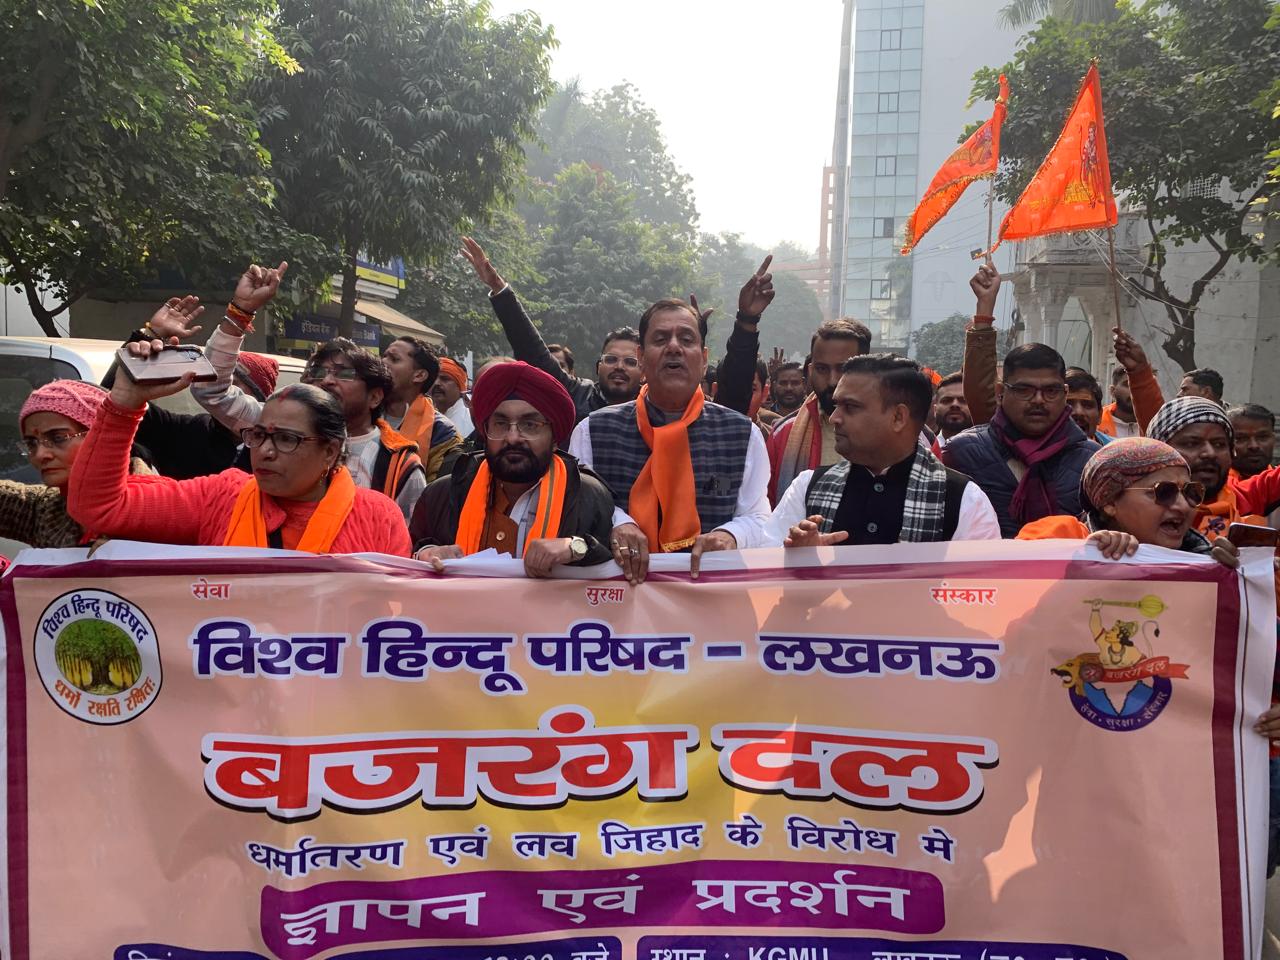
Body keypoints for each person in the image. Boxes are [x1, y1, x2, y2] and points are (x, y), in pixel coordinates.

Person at [67, 371, 411, 556]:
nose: (266, 451)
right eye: (259, 435)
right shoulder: (222, 496)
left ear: (330, 451)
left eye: (286, 439)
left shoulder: (378, 517)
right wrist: (124, 404)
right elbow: (97, 507)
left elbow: (396, 619)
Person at [188, 263, 427, 522]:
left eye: (344, 373)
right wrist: (239, 313)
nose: (327, 381)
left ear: (375, 396)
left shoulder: (399, 464)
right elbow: (210, 390)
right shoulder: (270, 424)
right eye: (319, 371)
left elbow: (407, 540)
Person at [568, 297, 770, 583]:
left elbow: (759, 517)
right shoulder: (593, 430)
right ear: (641, 357)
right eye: (660, 339)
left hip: (709, 595)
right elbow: (579, 505)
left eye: (686, 340)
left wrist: (731, 535)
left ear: (703, 358)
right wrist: (618, 523)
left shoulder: (742, 434)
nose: (674, 347)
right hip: (619, 596)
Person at [764, 355, 1000, 548]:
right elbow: (766, 563)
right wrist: (799, 560)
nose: (834, 418)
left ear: (898, 417)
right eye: (836, 405)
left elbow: (981, 585)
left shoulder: (964, 500)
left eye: (850, 407)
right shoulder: (808, 487)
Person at [410, 362, 616, 576]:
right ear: (485, 430)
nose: (513, 437)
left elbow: (616, 566)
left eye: (530, 425)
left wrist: (576, 548)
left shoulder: (587, 495)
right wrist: (425, 554)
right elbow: (408, 555)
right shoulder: (442, 493)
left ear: (555, 438)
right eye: (501, 424)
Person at [460, 237, 643, 420]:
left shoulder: (654, 409)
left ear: (644, 372)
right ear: (598, 367)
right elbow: (533, 351)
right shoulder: (576, 393)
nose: (619, 367)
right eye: (611, 359)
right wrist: (498, 287)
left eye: (630, 362)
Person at [112, 294, 281, 479]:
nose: (221, 386)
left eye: (231, 383)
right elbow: (105, 403)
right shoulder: (188, 431)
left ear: (259, 398)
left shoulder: (283, 450)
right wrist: (150, 335)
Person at [943, 342, 1099, 538]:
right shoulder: (961, 453)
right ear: (1000, 392)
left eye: (1051, 391)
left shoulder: (1093, 461)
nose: (1038, 400)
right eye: (1024, 390)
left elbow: (1106, 528)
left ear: (1065, 393)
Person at [0, 380, 153, 548]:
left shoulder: (153, 506)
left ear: (102, 437)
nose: (40, 454)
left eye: (58, 438)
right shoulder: (49, 509)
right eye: (31, 443)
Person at [1015, 438, 1221, 556]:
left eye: (1190, 492)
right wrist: (1083, 557)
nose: (1183, 506)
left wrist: (1227, 575)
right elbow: (1011, 581)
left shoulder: (1203, 557)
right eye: (1164, 492)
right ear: (1110, 502)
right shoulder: (1062, 534)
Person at [766, 317, 873, 503]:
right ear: (810, 371)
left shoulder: (898, 433)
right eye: (822, 369)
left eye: (843, 369)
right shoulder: (783, 435)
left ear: (868, 370)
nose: (832, 381)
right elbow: (768, 509)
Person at [1145, 396, 1279, 538]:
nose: (1210, 453)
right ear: (1160, 450)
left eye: (1219, 444)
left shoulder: (1241, 498)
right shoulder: (1135, 513)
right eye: (1192, 443)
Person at [381, 336, 463, 481]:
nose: (383, 362)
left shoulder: (443, 434)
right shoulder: (363, 413)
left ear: (419, 375)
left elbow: (436, 491)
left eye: (394, 359)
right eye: (384, 356)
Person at [430, 357, 474, 439]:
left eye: (445, 379)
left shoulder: (467, 420)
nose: (436, 383)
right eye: (433, 378)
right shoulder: (428, 413)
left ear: (460, 386)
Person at [1229, 403, 1276, 480]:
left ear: (1273, 439)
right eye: (1241, 438)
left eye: (1262, 437)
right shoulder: (1214, 484)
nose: (1254, 446)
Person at [1066, 371, 1110, 444]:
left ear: (1100, 415)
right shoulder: (1044, 448)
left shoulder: (1115, 448)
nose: (1079, 412)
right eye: (1068, 405)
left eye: (1087, 405)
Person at [933, 372, 972, 447]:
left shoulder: (991, 449)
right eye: (946, 400)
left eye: (963, 400)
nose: (955, 404)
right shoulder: (922, 449)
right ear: (935, 410)